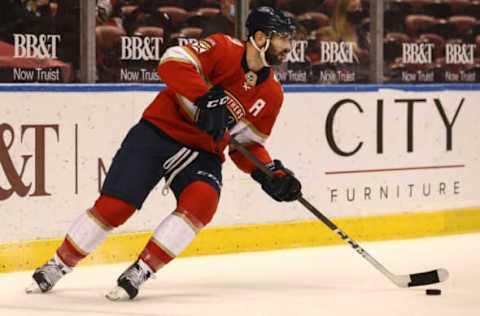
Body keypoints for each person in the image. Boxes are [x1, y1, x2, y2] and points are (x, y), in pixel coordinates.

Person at [26, 6, 302, 301]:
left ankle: (141, 270)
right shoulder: (222, 47)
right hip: (158, 131)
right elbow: (170, 62)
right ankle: (59, 264)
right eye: (283, 39)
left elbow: (246, 145)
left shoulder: (272, 93)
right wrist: (205, 97)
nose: (288, 47)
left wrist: (268, 171)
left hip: (202, 153)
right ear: (260, 38)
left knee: (203, 202)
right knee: (115, 207)